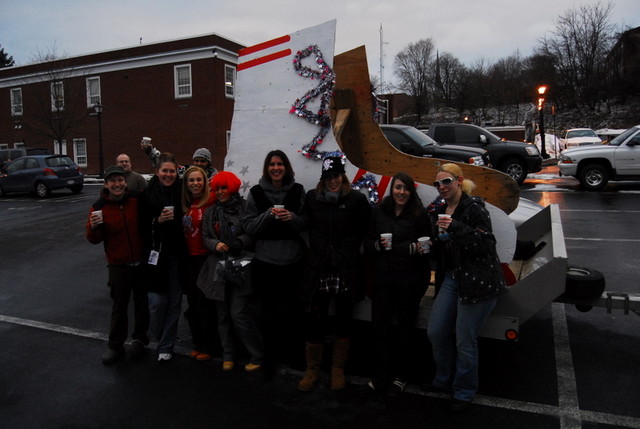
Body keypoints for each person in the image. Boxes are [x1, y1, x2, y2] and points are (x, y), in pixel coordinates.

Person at [425, 163, 507, 412]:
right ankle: (442, 380)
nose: (442, 187)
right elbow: (443, 248)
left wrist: (456, 228)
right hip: (453, 277)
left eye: (446, 181)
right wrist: (433, 243)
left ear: (460, 181)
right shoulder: (438, 208)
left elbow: (486, 243)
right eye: (437, 184)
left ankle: (463, 391)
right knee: (436, 331)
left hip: (478, 280)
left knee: (465, 340)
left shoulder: (474, 207)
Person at [298, 156, 371, 392]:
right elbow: (305, 223)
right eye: (328, 177)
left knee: (343, 319)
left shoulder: (357, 200)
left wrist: (346, 250)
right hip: (319, 267)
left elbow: (365, 229)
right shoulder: (312, 197)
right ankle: (312, 370)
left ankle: (337, 369)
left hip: (345, 269)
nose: (333, 182)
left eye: (336, 176)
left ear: (343, 176)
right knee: (315, 318)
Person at [364, 172, 431, 394]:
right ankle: (380, 373)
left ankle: (402, 375)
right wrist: (378, 246)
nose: (401, 192)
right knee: (379, 329)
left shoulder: (419, 216)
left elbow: (427, 248)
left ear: (411, 192)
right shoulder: (379, 212)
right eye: (398, 187)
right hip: (383, 278)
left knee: (405, 329)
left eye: (406, 189)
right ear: (392, 189)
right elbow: (367, 242)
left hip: (408, 280)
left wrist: (412, 249)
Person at [242, 150, 307, 374]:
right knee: (267, 314)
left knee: (294, 313)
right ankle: (269, 359)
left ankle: (295, 357)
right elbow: (248, 226)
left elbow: (306, 223)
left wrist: (293, 218)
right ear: (267, 168)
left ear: (286, 167)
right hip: (265, 263)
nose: (276, 168)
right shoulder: (256, 193)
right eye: (272, 164)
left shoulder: (298, 191)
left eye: (280, 164)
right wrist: (267, 215)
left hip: (293, 263)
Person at [199, 171, 264, 372]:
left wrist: (239, 242)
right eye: (217, 188)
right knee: (222, 315)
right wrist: (215, 244)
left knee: (238, 313)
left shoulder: (245, 208)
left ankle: (257, 354)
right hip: (217, 268)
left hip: (240, 267)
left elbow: (252, 233)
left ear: (232, 187)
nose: (219, 192)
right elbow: (205, 235)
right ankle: (228, 354)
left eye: (223, 188)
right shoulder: (211, 211)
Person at [86, 165, 149, 364]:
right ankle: (115, 345)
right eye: (112, 181)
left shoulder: (136, 199)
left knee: (141, 303)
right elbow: (93, 238)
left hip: (140, 261)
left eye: (120, 180)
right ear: (106, 185)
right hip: (118, 264)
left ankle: (139, 339)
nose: (117, 184)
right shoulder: (99, 207)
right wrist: (94, 227)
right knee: (119, 306)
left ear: (125, 182)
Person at [139, 152, 187, 362]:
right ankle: (159, 334)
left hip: (177, 254)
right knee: (158, 302)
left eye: (172, 171)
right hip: (156, 255)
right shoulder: (147, 194)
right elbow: (140, 226)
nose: (168, 174)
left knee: (175, 302)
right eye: (164, 171)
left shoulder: (183, 191)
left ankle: (166, 344)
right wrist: (157, 221)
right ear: (156, 172)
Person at [181, 166, 219, 361]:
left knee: (206, 304)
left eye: (199, 180)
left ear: (205, 182)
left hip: (206, 258)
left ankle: (210, 346)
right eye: (191, 180)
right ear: (186, 184)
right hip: (189, 260)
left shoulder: (211, 201)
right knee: (193, 303)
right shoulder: (185, 204)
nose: (195, 183)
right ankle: (199, 342)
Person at [141, 138, 218, 178]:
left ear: (208, 163)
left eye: (202, 161)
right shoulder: (186, 171)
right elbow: (166, 165)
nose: (199, 164)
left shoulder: (214, 178)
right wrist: (150, 152)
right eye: (196, 160)